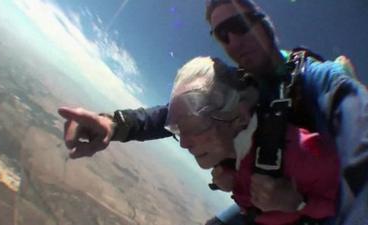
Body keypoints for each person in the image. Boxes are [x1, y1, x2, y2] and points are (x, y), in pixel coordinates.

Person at [58, 0, 368, 224]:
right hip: (260, 206)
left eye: (239, 25)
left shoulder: (318, 79)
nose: (233, 40)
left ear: (264, 21)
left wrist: (297, 201)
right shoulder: (236, 86)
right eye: (222, 35)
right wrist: (113, 124)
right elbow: (175, 117)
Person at [164, 56, 340, 225]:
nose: (183, 143)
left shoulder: (297, 150)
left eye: (195, 125)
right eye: (179, 129)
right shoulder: (231, 144)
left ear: (239, 116)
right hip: (252, 214)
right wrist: (231, 174)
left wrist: (297, 203)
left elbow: (345, 202)